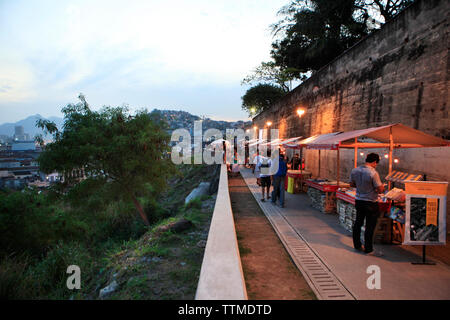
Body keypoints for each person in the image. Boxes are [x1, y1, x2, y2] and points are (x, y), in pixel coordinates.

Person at [350, 153, 385, 256]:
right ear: (374, 162)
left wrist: (361, 186)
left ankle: (357, 245)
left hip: (359, 201)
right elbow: (379, 189)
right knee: (370, 226)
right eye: (376, 164)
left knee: (358, 223)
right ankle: (368, 249)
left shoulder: (355, 170)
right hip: (370, 202)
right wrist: (382, 187)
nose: (376, 165)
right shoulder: (373, 173)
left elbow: (351, 184)